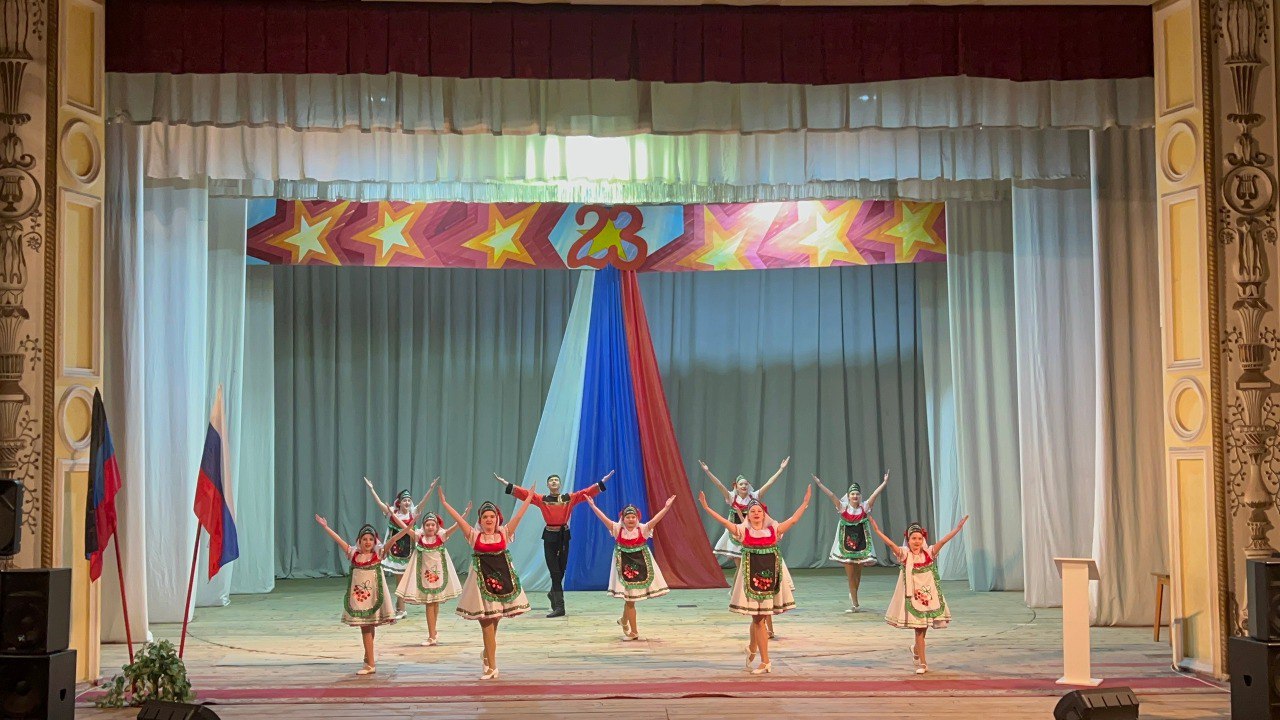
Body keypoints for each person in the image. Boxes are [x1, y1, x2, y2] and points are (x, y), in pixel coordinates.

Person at [698, 485, 812, 675]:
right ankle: (761, 656)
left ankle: (758, 654)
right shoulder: (743, 531)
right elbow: (724, 522)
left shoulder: (774, 529)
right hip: (751, 579)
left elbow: (793, 520)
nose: (756, 513)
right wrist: (707, 508)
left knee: (759, 618)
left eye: (759, 511)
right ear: (748, 516)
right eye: (752, 511)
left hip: (770, 578)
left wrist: (805, 502)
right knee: (757, 618)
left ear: (764, 513)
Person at [440, 484, 538, 679]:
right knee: (486, 623)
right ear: (480, 520)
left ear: (497, 518)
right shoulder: (474, 535)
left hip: (502, 582)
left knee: (495, 621)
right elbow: (459, 520)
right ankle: (493, 667)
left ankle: (487, 654)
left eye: (492, 516)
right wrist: (444, 503)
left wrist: (529, 498)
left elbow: (519, 516)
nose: (489, 519)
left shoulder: (504, 533)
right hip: (481, 584)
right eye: (485, 517)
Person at [495, 469, 613, 617]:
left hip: (564, 536)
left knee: (561, 570)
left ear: (560, 484)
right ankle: (559, 607)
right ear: (548, 485)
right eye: (551, 480)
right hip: (550, 536)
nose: (554, 482)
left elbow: (586, 492)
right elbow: (525, 494)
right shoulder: (542, 499)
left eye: (556, 480)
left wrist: (602, 482)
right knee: (555, 573)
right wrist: (506, 483)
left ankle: (553, 593)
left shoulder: (569, 498)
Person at [699, 456, 789, 638]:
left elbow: (769, 483)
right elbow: (719, 485)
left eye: (746, 484)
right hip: (737, 534)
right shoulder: (731, 497)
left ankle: (741, 592)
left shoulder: (754, 498)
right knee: (741, 565)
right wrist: (708, 472)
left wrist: (780, 469)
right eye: (741, 484)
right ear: (736, 486)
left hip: (754, 536)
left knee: (748, 568)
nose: (744, 486)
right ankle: (740, 591)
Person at [869, 514, 970, 674]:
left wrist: (957, 529)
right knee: (919, 629)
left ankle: (916, 649)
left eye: (919, 538)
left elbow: (943, 541)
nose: (917, 541)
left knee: (923, 630)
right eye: (913, 538)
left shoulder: (929, 553)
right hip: (913, 598)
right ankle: (923, 664)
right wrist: (877, 530)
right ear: (908, 540)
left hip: (928, 598)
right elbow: (890, 544)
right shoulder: (905, 554)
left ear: (923, 539)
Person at [582, 494, 676, 640]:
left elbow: (656, 520)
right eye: (628, 517)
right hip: (624, 568)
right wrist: (593, 506)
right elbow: (603, 518)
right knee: (630, 600)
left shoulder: (643, 529)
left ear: (637, 518)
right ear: (623, 518)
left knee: (630, 599)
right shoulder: (617, 529)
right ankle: (633, 631)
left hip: (641, 566)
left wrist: (666, 507)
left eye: (633, 517)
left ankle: (625, 622)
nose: (631, 520)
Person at [314, 516, 397, 675]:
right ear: (359, 541)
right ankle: (368, 658)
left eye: (370, 539)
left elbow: (393, 539)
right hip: (360, 598)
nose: (367, 542)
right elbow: (339, 540)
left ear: (375, 541)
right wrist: (326, 527)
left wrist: (407, 529)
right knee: (366, 626)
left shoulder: (378, 554)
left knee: (367, 627)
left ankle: (370, 664)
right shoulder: (353, 554)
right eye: (364, 539)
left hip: (374, 596)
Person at [813, 471, 889, 612]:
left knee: (858, 576)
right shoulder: (843, 507)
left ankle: (853, 594)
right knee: (851, 576)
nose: (855, 496)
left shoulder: (864, 507)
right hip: (846, 546)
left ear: (860, 496)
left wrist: (884, 483)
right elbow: (831, 495)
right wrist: (819, 484)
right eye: (852, 494)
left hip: (861, 545)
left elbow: (875, 495)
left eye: (857, 494)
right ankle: (855, 604)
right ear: (848, 496)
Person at [392, 504, 468, 646]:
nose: (430, 527)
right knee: (429, 604)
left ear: (437, 526)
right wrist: (395, 516)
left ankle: (433, 633)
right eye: (427, 525)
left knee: (435, 603)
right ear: (423, 526)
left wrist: (464, 514)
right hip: (425, 577)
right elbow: (404, 526)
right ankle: (431, 635)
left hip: (438, 576)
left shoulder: (441, 536)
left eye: (433, 525)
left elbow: (456, 526)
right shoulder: (418, 537)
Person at [364, 476, 436, 618]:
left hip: (409, 550)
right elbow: (379, 503)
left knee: (403, 581)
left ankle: (400, 607)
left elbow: (423, 502)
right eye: (405, 500)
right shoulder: (393, 512)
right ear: (399, 502)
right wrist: (372, 489)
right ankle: (401, 608)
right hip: (395, 550)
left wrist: (431, 489)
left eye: (409, 500)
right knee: (400, 580)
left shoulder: (413, 512)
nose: (407, 502)